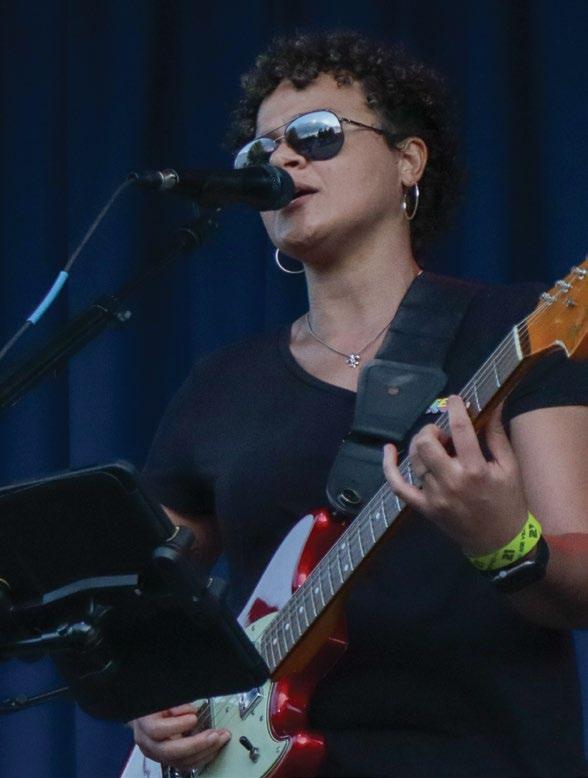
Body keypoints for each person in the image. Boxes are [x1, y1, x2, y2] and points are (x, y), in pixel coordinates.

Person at [131, 30, 588, 777]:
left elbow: (581, 585)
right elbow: (149, 595)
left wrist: (505, 540)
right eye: (261, 150)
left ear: (409, 160)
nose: (282, 160)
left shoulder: (515, 330)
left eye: (317, 135)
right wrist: (153, 688)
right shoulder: (221, 383)